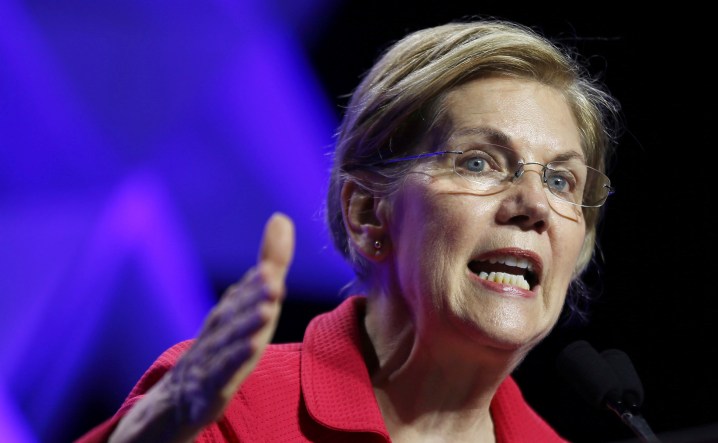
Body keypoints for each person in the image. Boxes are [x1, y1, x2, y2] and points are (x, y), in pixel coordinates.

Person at [77, 17, 621, 443]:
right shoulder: (230, 411)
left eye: (560, 180)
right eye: (478, 163)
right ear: (367, 214)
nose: (534, 205)